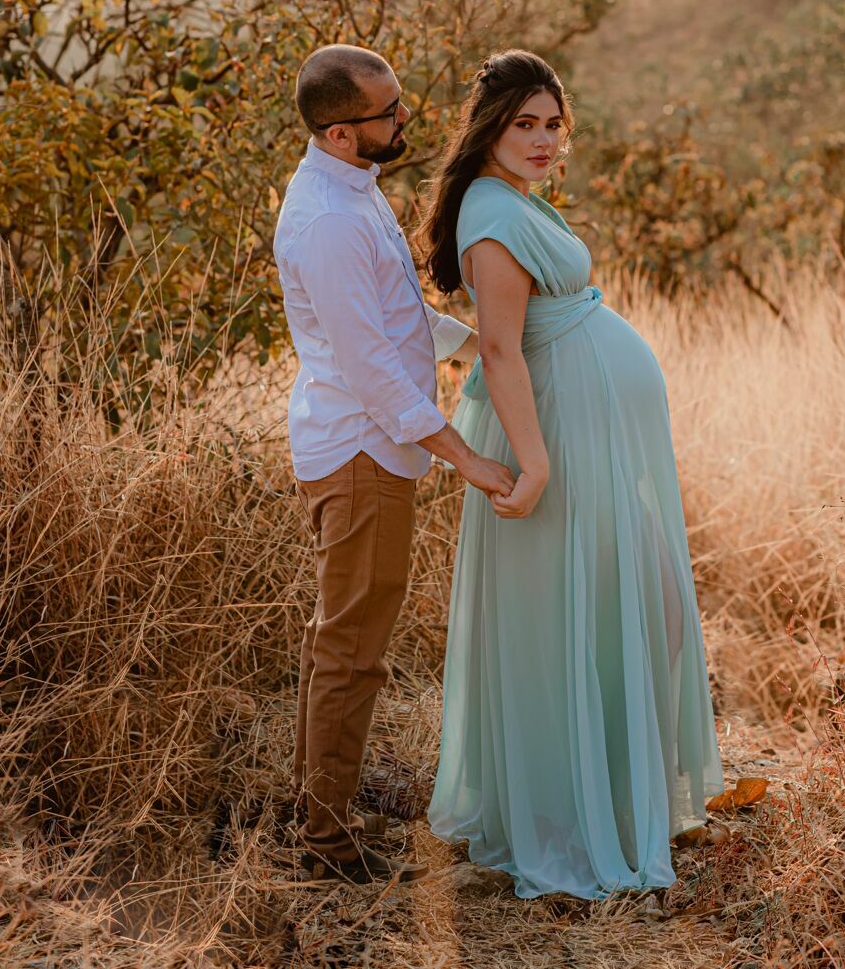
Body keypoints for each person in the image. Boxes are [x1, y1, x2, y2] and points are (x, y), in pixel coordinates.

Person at [418, 49, 724, 899]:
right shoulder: (490, 218)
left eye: (554, 125)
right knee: (583, 616)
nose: (546, 140)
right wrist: (538, 460)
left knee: (636, 604)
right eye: (526, 125)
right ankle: (569, 815)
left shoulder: (514, 201)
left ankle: (613, 795)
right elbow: (502, 349)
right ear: (490, 129)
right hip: (555, 440)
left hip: (586, 432)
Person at [273, 44, 515, 885]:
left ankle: (321, 812)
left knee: (339, 644)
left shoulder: (351, 188)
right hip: (362, 454)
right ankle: (327, 844)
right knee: (351, 651)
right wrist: (466, 459)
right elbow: (373, 368)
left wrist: (479, 349)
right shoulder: (332, 221)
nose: (405, 118)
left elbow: (398, 316)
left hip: (367, 445)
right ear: (341, 133)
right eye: (389, 112)